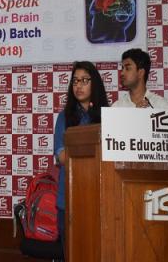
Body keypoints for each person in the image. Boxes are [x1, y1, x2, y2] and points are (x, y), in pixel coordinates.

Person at [54, 61, 109, 259]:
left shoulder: (108, 116)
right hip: (68, 200)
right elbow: (61, 156)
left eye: (85, 80)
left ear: (95, 84)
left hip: (100, 199)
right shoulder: (64, 117)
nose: (79, 85)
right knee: (71, 254)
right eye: (75, 81)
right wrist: (90, 152)